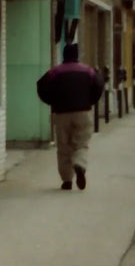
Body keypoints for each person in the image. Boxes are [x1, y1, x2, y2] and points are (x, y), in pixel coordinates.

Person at [36, 43, 103, 191]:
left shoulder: (55, 72)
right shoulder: (88, 71)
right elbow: (99, 85)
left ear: (64, 55)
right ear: (77, 55)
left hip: (61, 113)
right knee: (81, 143)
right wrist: (90, 100)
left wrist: (52, 101)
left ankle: (67, 180)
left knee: (63, 147)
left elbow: (41, 86)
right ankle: (79, 164)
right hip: (83, 112)